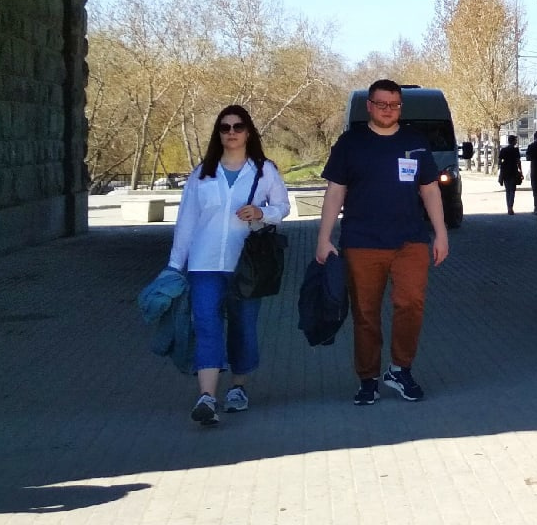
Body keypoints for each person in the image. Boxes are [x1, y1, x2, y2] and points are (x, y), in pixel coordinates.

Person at [316, 78, 449, 406]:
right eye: (381, 104)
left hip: (411, 241)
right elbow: (335, 192)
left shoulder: (415, 142)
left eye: (394, 105)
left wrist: (441, 233)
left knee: (411, 305)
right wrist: (324, 238)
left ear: (400, 107)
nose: (388, 110)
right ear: (369, 107)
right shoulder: (350, 143)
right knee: (365, 313)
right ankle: (368, 378)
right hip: (362, 242)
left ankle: (400, 369)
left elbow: (430, 189)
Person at [167, 105, 289, 426]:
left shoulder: (264, 171)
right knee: (206, 324)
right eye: (225, 128)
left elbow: (283, 206)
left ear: (248, 132)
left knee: (242, 326)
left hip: (246, 265)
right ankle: (207, 397)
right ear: (218, 133)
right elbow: (187, 221)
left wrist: (262, 213)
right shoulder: (202, 173)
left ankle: (238, 387)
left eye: (238, 127)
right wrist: (174, 265)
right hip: (204, 264)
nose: (231, 133)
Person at [497, 134, 524, 214]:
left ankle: (508, 207)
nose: (516, 141)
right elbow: (518, 161)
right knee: (512, 190)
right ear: (513, 141)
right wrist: (521, 171)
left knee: (508, 190)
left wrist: (502, 166)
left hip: (505, 172)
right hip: (513, 171)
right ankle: (510, 207)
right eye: (515, 140)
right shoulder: (515, 150)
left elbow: (499, 161)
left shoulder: (503, 150)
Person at [525, 130, 537, 211]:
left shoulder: (531, 146)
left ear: (535, 137)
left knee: (535, 188)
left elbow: (528, 158)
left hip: (535, 167)